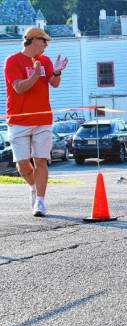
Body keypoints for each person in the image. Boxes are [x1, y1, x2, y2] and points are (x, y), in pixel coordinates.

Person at [4, 27, 69, 217]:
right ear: (33, 40)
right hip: (18, 120)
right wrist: (34, 74)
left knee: (41, 160)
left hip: (43, 119)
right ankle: (34, 187)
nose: (46, 45)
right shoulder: (12, 61)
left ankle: (40, 202)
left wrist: (56, 72)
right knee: (23, 164)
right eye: (44, 41)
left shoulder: (45, 60)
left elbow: (54, 83)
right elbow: (18, 88)